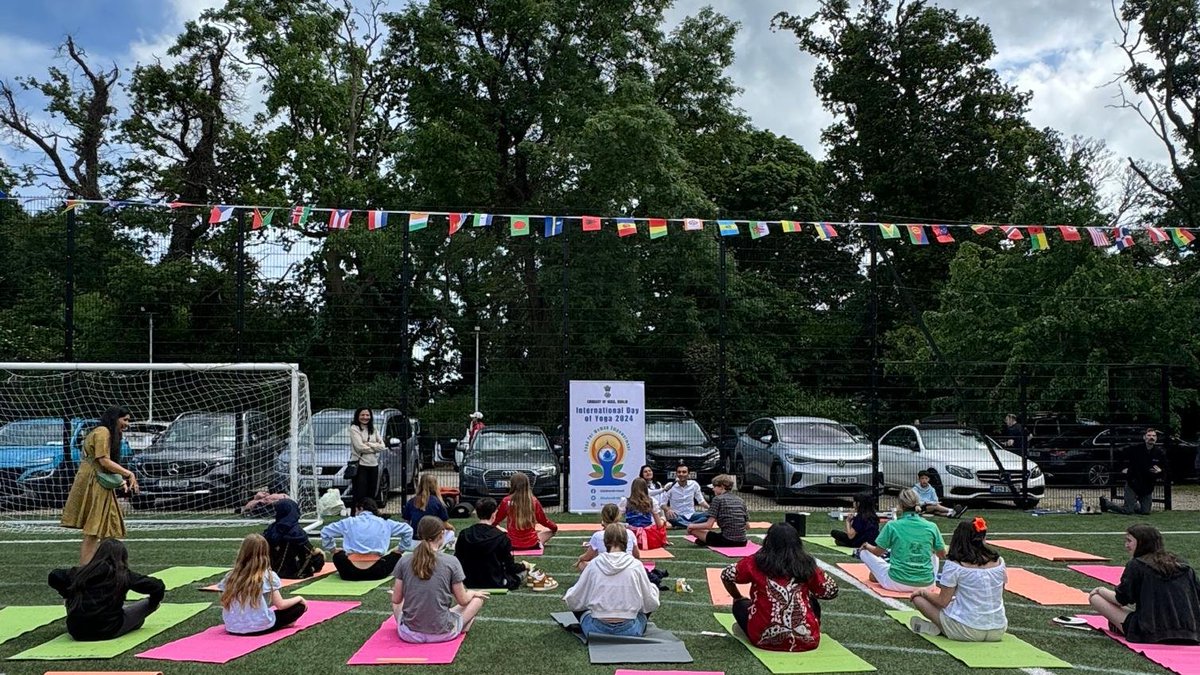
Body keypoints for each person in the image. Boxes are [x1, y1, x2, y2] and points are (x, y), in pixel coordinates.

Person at [721, 523, 839, 651]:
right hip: (807, 641)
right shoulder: (807, 565)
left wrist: (737, 597)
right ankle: (805, 630)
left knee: (740, 605)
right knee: (812, 602)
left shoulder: (755, 562)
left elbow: (726, 575)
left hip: (764, 638)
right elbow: (831, 591)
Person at [1088, 523, 1200, 644]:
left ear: (1141, 543)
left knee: (1096, 598)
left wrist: (1100, 590)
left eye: (1129, 541)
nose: (1126, 545)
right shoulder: (1183, 565)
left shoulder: (1137, 565)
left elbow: (1120, 599)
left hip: (1149, 632)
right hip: (1191, 632)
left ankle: (1120, 624)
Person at [393, 515, 489, 643]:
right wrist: (471, 593)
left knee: (397, 602)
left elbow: (396, 599)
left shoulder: (404, 560)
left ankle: (457, 622)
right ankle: (461, 624)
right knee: (478, 599)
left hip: (410, 634)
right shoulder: (451, 561)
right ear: (442, 534)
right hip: (443, 632)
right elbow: (463, 600)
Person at [908, 518, 1007, 641]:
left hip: (966, 629)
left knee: (919, 599)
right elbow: (999, 591)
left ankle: (939, 628)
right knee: (953, 603)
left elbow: (942, 601)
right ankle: (939, 627)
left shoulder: (955, 565)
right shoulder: (999, 561)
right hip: (998, 629)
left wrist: (923, 592)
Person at [62, 406, 138, 564]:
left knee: (109, 527)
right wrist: (128, 474)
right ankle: (85, 571)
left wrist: (120, 480)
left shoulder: (105, 432)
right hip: (94, 483)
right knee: (93, 530)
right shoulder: (103, 432)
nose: (127, 424)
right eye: (125, 419)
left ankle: (109, 567)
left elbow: (104, 464)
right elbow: (103, 460)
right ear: (114, 419)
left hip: (99, 481)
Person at [48, 539, 165, 641]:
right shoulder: (122, 574)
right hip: (109, 629)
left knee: (74, 598)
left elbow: (54, 575)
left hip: (76, 631)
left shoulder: (81, 572)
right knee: (143, 612)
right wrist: (154, 603)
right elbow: (157, 586)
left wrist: (67, 594)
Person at [564, 523, 661, 638]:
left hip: (595, 630)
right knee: (649, 595)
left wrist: (570, 594)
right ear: (626, 541)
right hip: (630, 629)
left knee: (579, 604)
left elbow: (575, 599)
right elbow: (650, 602)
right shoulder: (636, 565)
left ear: (605, 542)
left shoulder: (594, 564)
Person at [857, 488, 946, 592]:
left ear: (901, 505)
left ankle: (882, 571)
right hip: (927, 584)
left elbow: (878, 552)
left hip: (897, 582)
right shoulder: (932, 526)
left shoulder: (892, 526)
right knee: (935, 552)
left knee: (864, 552)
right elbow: (942, 554)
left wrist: (866, 546)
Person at [219, 534, 307, 635]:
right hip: (260, 627)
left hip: (232, 626)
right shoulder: (267, 576)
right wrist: (299, 598)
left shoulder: (230, 576)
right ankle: (285, 623)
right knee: (299, 607)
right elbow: (281, 605)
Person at [320, 497, 414, 581]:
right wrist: (401, 549)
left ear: (360, 508)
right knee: (396, 555)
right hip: (378, 571)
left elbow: (325, 532)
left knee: (337, 554)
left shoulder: (349, 522)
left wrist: (332, 549)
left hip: (349, 572)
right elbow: (408, 530)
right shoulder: (385, 522)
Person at [454, 497, 531, 590]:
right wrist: (524, 565)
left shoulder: (464, 534)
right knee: (523, 572)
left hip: (469, 581)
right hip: (496, 582)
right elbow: (510, 567)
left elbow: (457, 560)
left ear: (477, 513)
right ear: (494, 514)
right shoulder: (502, 537)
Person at [1101, 429, 1166, 516]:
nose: (1151, 438)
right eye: (1149, 435)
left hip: (1147, 486)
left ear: (1156, 438)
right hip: (1133, 483)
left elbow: (1165, 468)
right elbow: (1118, 454)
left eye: (1154, 436)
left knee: (1146, 512)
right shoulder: (1135, 449)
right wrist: (1122, 468)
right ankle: (1106, 503)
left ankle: (1133, 504)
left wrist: (1160, 471)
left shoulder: (1159, 453)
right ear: (1144, 437)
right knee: (1128, 511)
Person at [263, 498, 326, 579]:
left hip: (271, 569)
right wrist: (320, 552)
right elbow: (310, 550)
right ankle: (309, 569)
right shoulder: (296, 532)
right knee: (319, 557)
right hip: (294, 571)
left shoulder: (271, 529)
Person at [494, 472, 558, 550]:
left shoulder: (506, 501)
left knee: (499, 529)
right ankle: (538, 542)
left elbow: (496, 520)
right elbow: (543, 520)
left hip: (512, 544)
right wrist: (554, 527)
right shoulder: (534, 501)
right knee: (550, 531)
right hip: (532, 544)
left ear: (512, 485)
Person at [687, 474, 748, 547]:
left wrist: (691, 526)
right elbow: (747, 526)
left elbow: (708, 525)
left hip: (727, 540)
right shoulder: (740, 500)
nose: (713, 489)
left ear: (722, 487)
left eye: (714, 487)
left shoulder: (718, 499)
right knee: (709, 534)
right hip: (743, 541)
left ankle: (706, 540)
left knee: (692, 530)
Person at [576, 504, 639, 571]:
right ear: (618, 516)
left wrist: (580, 558)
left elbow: (588, 557)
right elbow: (636, 555)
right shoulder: (629, 533)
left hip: (605, 568)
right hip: (626, 566)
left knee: (583, 563)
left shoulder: (598, 535)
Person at [402, 473, 456, 546]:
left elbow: (406, 522)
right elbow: (444, 524)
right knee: (451, 532)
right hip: (432, 542)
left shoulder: (411, 501)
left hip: (413, 541)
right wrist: (452, 527)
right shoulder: (438, 502)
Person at [348, 408, 385, 503]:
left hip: (373, 465)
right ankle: (356, 514)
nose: (365, 417)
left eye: (367, 415)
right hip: (360, 465)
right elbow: (359, 447)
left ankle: (369, 514)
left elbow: (382, 446)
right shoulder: (354, 428)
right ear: (358, 416)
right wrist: (375, 447)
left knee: (371, 494)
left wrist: (369, 444)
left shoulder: (374, 429)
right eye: (362, 415)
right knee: (360, 494)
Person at [621, 478, 668, 549]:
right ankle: (663, 541)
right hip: (649, 537)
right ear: (646, 488)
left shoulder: (625, 501)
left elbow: (615, 519)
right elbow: (659, 525)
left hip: (630, 536)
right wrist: (663, 519)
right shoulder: (652, 501)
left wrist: (625, 525)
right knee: (662, 522)